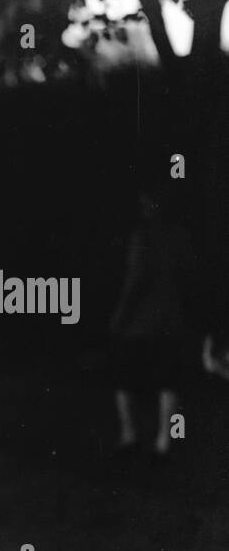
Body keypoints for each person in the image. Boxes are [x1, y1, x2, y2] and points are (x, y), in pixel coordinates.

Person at [110, 189, 195, 460]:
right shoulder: (180, 237)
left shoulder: (142, 237)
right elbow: (190, 276)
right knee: (168, 381)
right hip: (171, 320)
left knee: (126, 379)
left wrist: (120, 315)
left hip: (140, 323)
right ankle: (164, 441)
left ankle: (130, 435)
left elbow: (135, 279)